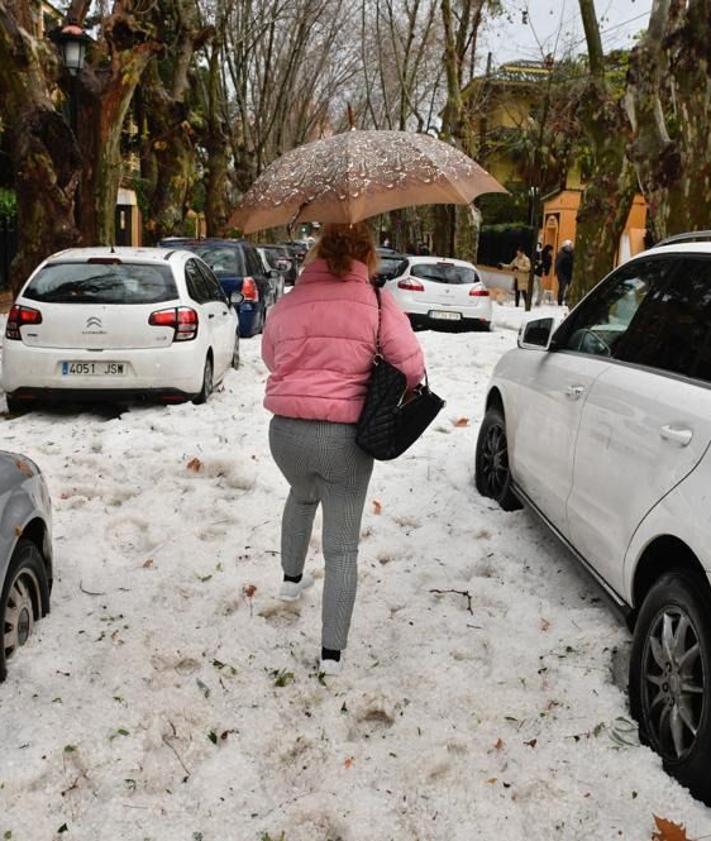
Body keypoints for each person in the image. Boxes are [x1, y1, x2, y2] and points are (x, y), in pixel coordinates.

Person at [261, 222, 425, 675]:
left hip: (286, 434)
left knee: (300, 494)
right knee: (342, 549)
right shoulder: (375, 302)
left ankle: (291, 582)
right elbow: (411, 368)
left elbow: (273, 357)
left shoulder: (290, 301)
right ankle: (331, 654)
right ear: (366, 256)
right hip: (344, 439)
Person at [555, 239, 574, 306]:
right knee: (562, 287)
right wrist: (558, 273)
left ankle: (567, 300)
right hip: (562, 274)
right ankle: (560, 301)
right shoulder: (561, 254)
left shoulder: (572, 254)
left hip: (569, 274)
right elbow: (558, 264)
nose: (571, 247)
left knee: (569, 287)